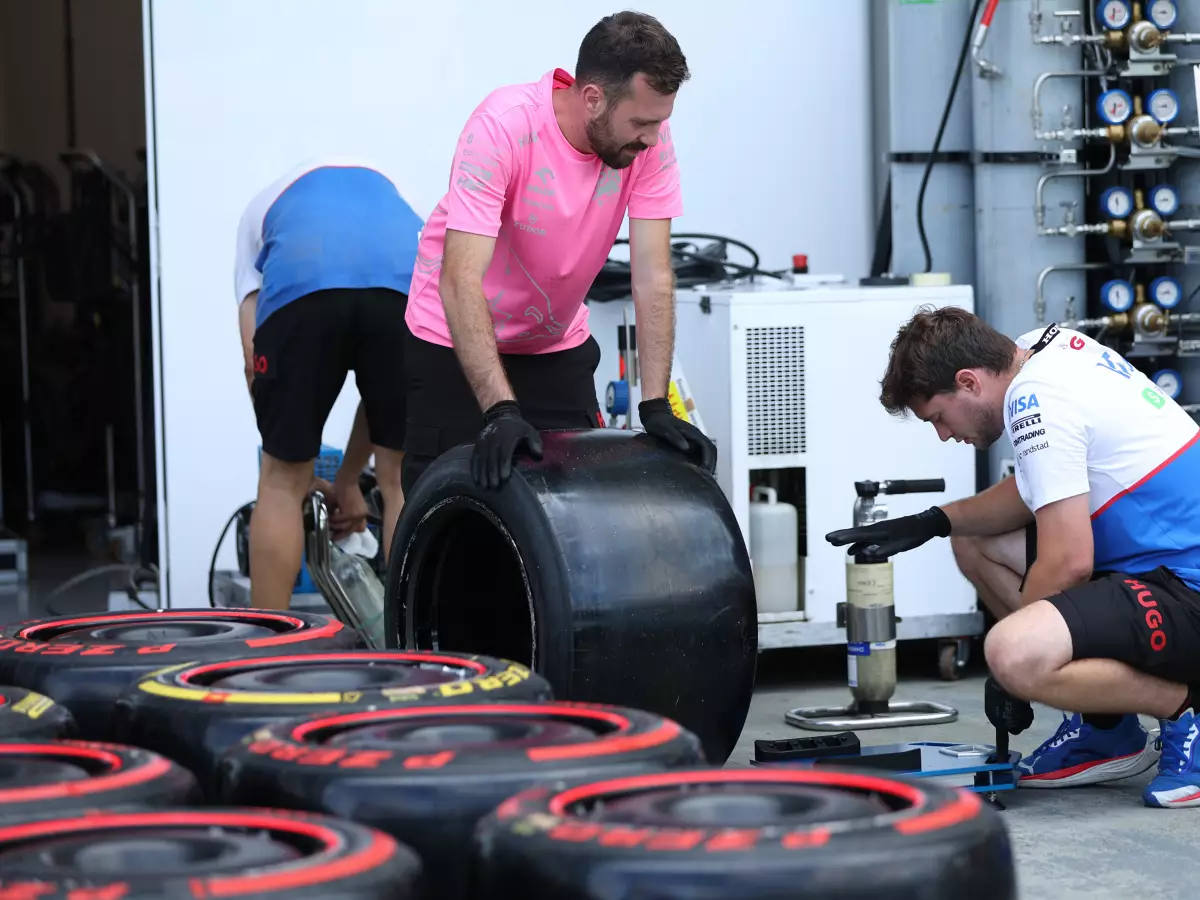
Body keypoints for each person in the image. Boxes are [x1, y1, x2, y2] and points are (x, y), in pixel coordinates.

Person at [825, 305, 1200, 809]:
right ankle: (1107, 730)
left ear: (968, 382)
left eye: (938, 416)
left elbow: (1069, 562)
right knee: (974, 541)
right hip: (1160, 561)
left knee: (1013, 653)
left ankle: (1186, 710)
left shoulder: (1034, 399)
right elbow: (1046, 485)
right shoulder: (1040, 352)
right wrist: (937, 520)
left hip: (1186, 585)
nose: (943, 434)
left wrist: (1014, 677)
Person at [400, 10, 717, 495]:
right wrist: (501, 411)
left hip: (553, 344)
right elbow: (459, 280)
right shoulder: (503, 127)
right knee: (449, 517)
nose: (651, 138)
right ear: (592, 98)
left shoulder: (650, 143)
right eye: (639, 122)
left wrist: (654, 405)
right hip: (454, 342)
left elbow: (653, 274)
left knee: (577, 514)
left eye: (659, 122)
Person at [235, 156, 424, 610]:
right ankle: (409, 639)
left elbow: (253, 361)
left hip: (304, 280)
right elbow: (378, 405)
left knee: (278, 482)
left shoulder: (261, 211)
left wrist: (298, 472)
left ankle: (268, 646)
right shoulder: (389, 197)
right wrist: (347, 479)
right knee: (398, 479)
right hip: (402, 282)